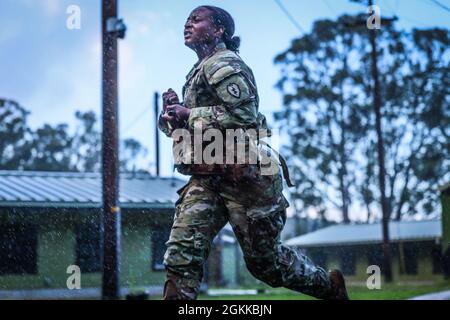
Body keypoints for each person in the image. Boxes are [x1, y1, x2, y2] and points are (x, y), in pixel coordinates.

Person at [157, 5, 349, 300]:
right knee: (182, 255)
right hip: (206, 179)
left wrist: (189, 112)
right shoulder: (199, 70)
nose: (188, 23)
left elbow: (244, 116)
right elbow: (199, 126)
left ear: (219, 29)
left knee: (265, 265)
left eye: (197, 19)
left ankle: (329, 286)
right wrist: (171, 117)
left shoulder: (223, 63)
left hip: (245, 179)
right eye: (187, 19)